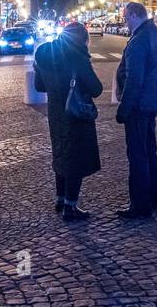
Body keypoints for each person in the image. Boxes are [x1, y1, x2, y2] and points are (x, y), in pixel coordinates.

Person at [33, 22, 104, 222]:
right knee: (76, 158)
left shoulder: (44, 54)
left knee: (61, 153)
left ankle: (60, 198)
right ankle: (70, 206)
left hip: (55, 113)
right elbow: (96, 88)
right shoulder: (78, 57)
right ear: (81, 39)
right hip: (75, 112)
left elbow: (39, 86)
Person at [115, 1, 157, 220]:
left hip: (137, 105)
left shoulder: (138, 41)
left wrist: (123, 109)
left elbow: (134, 80)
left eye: (126, 18)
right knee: (150, 153)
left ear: (135, 15)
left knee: (137, 156)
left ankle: (140, 205)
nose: (125, 22)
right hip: (151, 102)